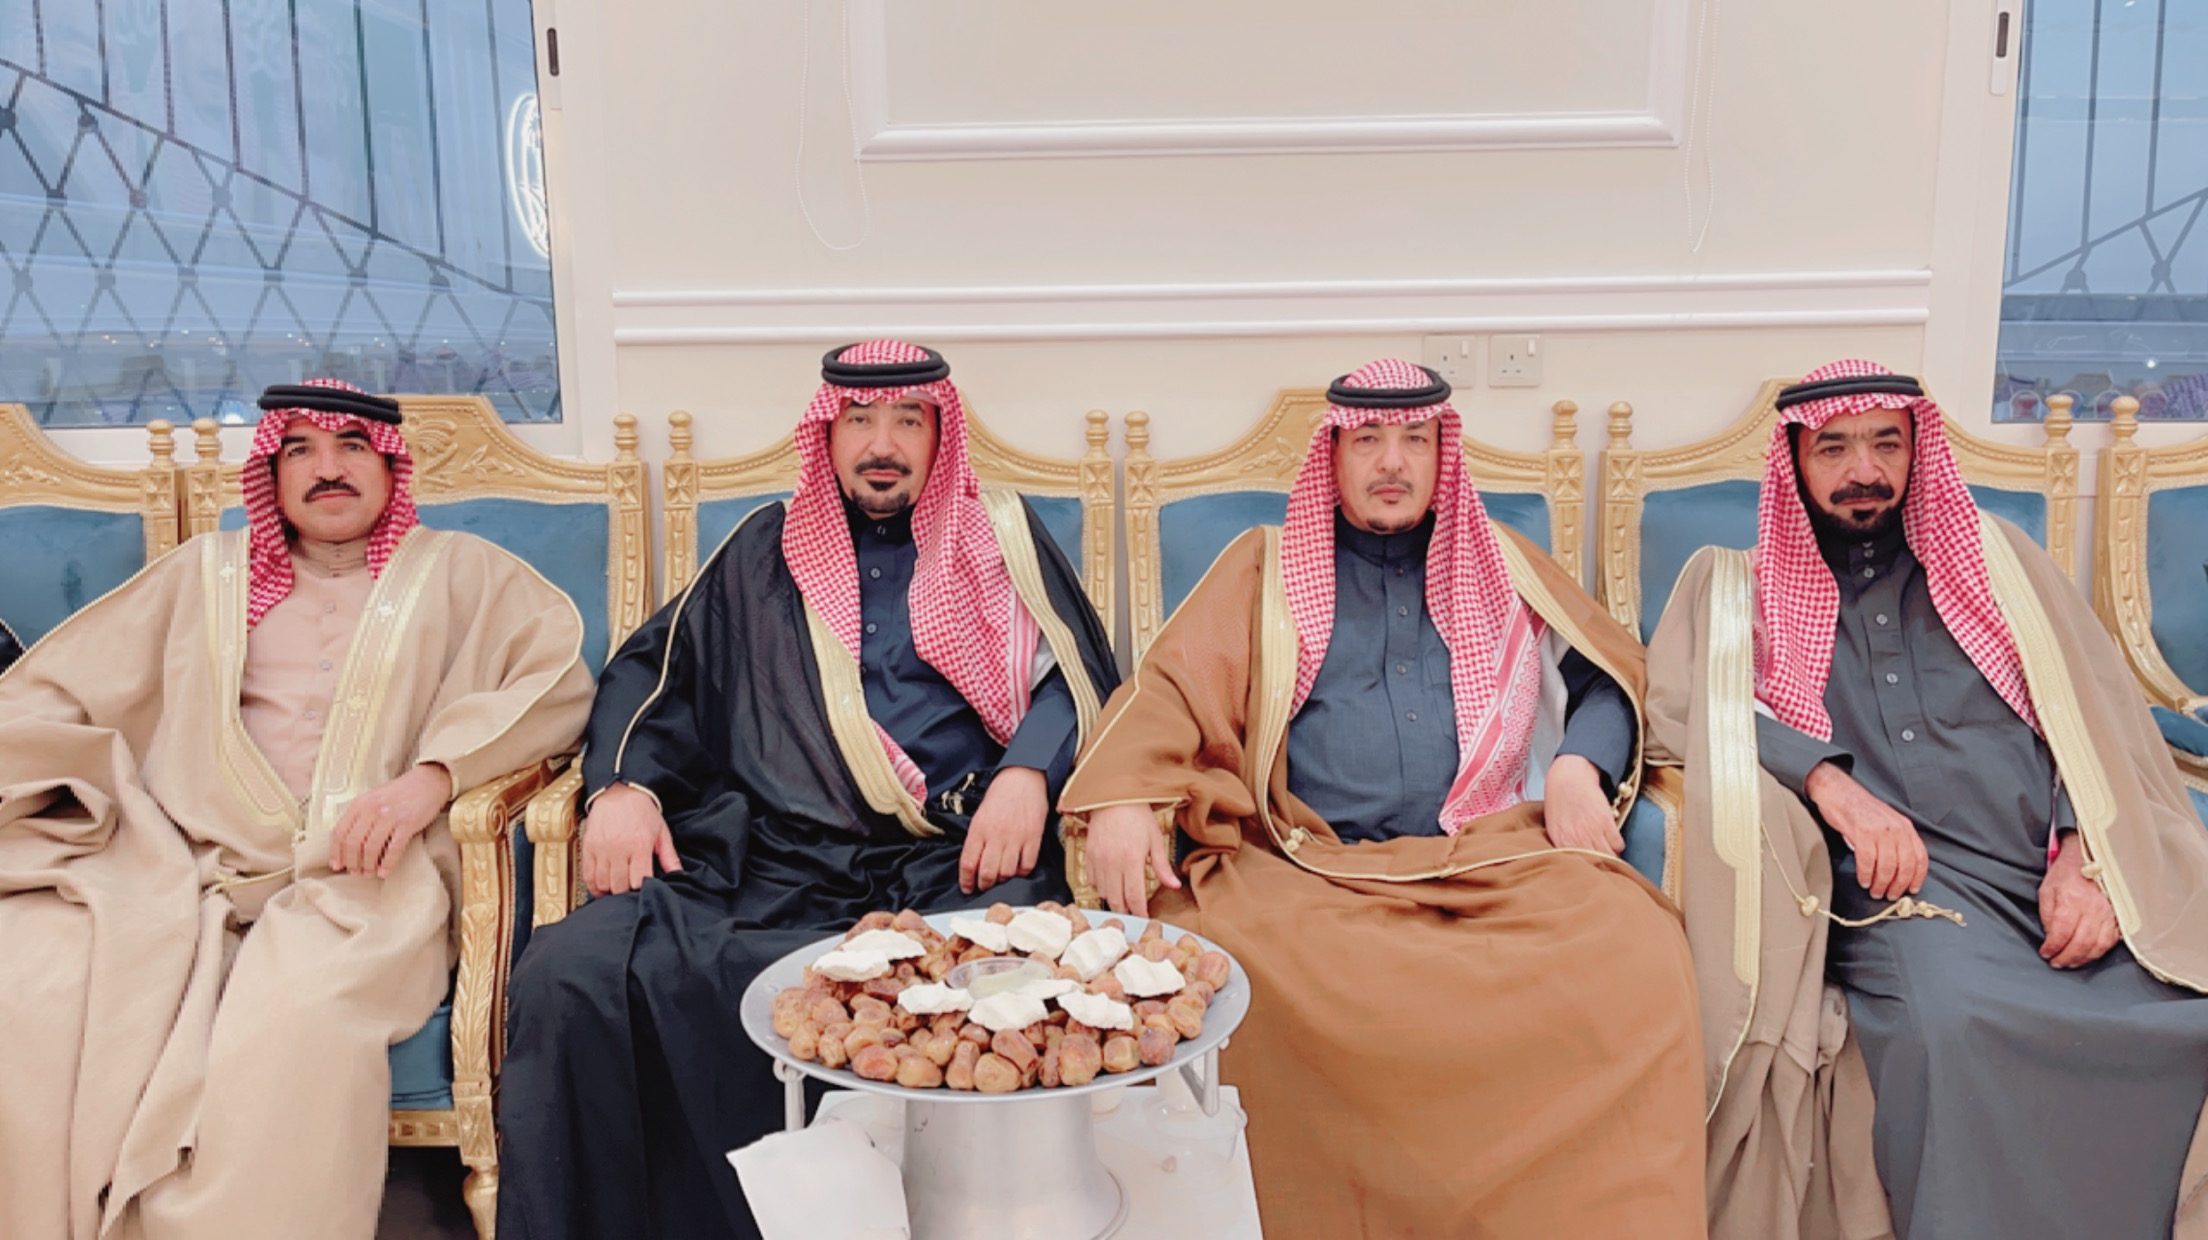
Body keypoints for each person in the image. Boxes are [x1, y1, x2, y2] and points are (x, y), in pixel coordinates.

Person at [1064, 359, 1707, 1237]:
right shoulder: (1264, 568)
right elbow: (1169, 691)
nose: (1392, 462)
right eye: (1367, 440)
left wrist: (1575, 769)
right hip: (1308, 866)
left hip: (1491, 858)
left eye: (1415, 439)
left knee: (1635, 944)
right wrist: (1123, 800)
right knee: (1225, 961)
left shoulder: (1502, 564)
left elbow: (1609, 676)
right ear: (1332, 456)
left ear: (1445, 455)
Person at [496, 340, 1120, 1240]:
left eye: (907, 421)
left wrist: (1028, 770)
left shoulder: (1003, 538)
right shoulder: (763, 550)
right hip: (778, 860)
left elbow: (1079, 674)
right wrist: (622, 788)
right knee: (573, 971)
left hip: (953, 866)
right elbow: (655, 673)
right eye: (859, 420)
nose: (882, 443)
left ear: (941, 436)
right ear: (825, 435)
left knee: (1003, 990)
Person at [0, 380, 594, 1240]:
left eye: (352, 446)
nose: (328, 469)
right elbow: (55, 692)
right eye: (300, 451)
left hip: (362, 880)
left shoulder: (465, 573)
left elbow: (554, 685)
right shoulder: (203, 575)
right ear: (271, 475)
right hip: (182, 864)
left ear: (390, 466)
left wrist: (432, 778)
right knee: (34, 978)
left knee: (295, 1025)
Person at [1648, 359, 2208, 1239]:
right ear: (1794, 461)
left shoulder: (1999, 565)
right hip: (1903, 889)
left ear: (1917, 452)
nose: (1862, 469)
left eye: (1885, 443)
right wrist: (1832, 784)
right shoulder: (1734, 589)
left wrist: (2088, 856)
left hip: (2044, 869)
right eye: (1833, 448)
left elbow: (2092, 714)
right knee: (1955, 1027)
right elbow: (1685, 710)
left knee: (2183, 1018)